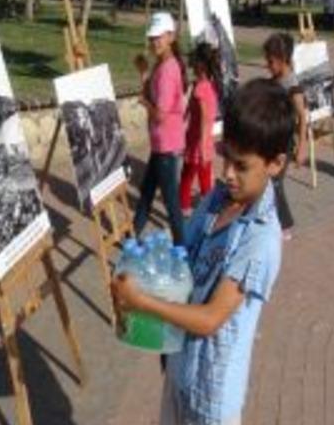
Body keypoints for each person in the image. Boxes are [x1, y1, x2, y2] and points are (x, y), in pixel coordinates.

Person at [113, 79, 294, 425]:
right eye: (225, 156)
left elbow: (211, 318)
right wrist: (143, 269)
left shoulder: (261, 239)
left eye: (241, 166)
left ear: (275, 163)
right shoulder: (216, 200)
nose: (227, 173)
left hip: (212, 397)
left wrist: (142, 302)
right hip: (180, 368)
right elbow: (186, 257)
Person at [132, 12, 188, 244]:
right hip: (162, 144)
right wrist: (144, 73)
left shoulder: (167, 70)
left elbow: (161, 115)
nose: (154, 41)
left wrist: (144, 103)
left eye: (159, 37)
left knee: (171, 202)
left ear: (171, 37)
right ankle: (133, 233)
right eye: (152, 37)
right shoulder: (164, 64)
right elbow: (152, 95)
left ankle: (182, 248)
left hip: (166, 144)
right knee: (146, 191)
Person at [263, 33, 308, 240]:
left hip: (285, 144)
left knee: (275, 182)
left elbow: (302, 117)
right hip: (272, 138)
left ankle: (285, 224)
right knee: (267, 179)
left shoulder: (293, 86)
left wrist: (302, 148)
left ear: (282, 59)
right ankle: (269, 216)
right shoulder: (274, 80)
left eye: (271, 61)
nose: (268, 65)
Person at [180, 43, 220, 217]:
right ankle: (190, 208)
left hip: (200, 141)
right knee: (195, 177)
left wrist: (203, 146)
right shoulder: (206, 85)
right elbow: (191, 111)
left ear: (199, 65)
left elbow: (204, 119)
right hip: (200, 140)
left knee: (192, 177)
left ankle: (190, 208)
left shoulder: (201, 87)